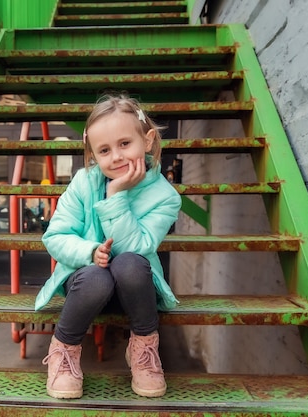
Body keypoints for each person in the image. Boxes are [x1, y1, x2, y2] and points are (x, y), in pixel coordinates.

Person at [34, 94, 182, 399]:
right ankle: (64, 351)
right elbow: (56, 236)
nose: (115, 156)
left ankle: (143, 348)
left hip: (136, 289)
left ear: (148, 140)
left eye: (125, 144)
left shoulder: (165, 197)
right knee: (95, 276)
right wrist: (89, 252)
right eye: (104, 150)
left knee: (129, 262)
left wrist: (116, 194)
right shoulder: (83, 183)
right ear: (93, 155)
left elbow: (139, 247)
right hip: (86, 288)